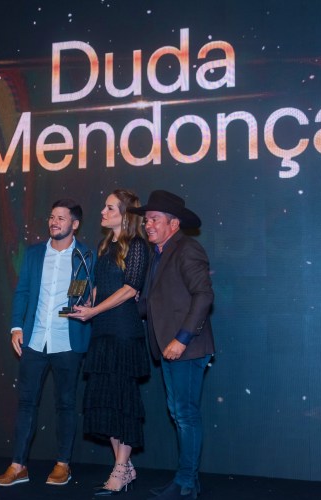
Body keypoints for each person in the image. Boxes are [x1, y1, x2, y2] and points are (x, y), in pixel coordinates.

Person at [0, 199, 94, 488]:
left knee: (66, 404)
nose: (54, 222)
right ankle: (18, 466)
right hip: (34, 341)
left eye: (61, 218)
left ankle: (63, 464)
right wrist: (16, 327)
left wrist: (88, 301)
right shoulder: (35, 253)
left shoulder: (85, 255)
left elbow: (84, 293)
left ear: (75, 224)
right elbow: (22, 291)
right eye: (52, 217)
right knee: (26, 403)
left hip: (68, 341)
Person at [128, 190, 214, 500]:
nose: (147, 225)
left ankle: (186, 483)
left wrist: (182, 339)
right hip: (168, 347)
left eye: (154, 219)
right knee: (179, 414)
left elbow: (204, 295)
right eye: (147, 220)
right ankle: (186, 481)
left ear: (174, 223)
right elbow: (153, 302)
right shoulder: (159, 253)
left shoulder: (187, 249)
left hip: (185, 348)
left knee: (185, 415)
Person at [67, 189, 149, 496]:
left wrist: (95, 310)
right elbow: (100, 286)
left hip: (123, 332)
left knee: (122, 399)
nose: (103, 211)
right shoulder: (105, 246)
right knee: (106, 399)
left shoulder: (137, 245)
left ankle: (120, 468)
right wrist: (86, 303)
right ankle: (123, 467)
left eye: (110, 207)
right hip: (102, 332)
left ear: (125, 214)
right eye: (104, 207)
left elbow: (130, 289)